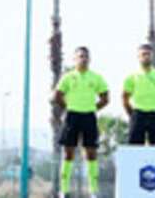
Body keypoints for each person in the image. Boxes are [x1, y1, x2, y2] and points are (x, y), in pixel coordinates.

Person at [53, 47, 109, 198]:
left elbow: (105, 98)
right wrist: (68, 107)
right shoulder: (68, 77)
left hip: (89, 117)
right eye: (80, 56)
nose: (83, 59)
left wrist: (93, 108)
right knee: (68, 152)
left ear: (89, 59)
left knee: (91, 152)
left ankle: (93, 191)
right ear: (74, 59)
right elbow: (57, 96)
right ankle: (63, 190)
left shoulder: (96, 77)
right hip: (72, 116)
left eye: (85, 56)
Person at [123, 44, 155, 146]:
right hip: (138, 114)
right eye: (143, 54)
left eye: (148, 54)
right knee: (134, 147)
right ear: (138, 57)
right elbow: (125, 99)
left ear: (152, 56)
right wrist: (132, 114)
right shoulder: (132, 77)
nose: (146, 57)